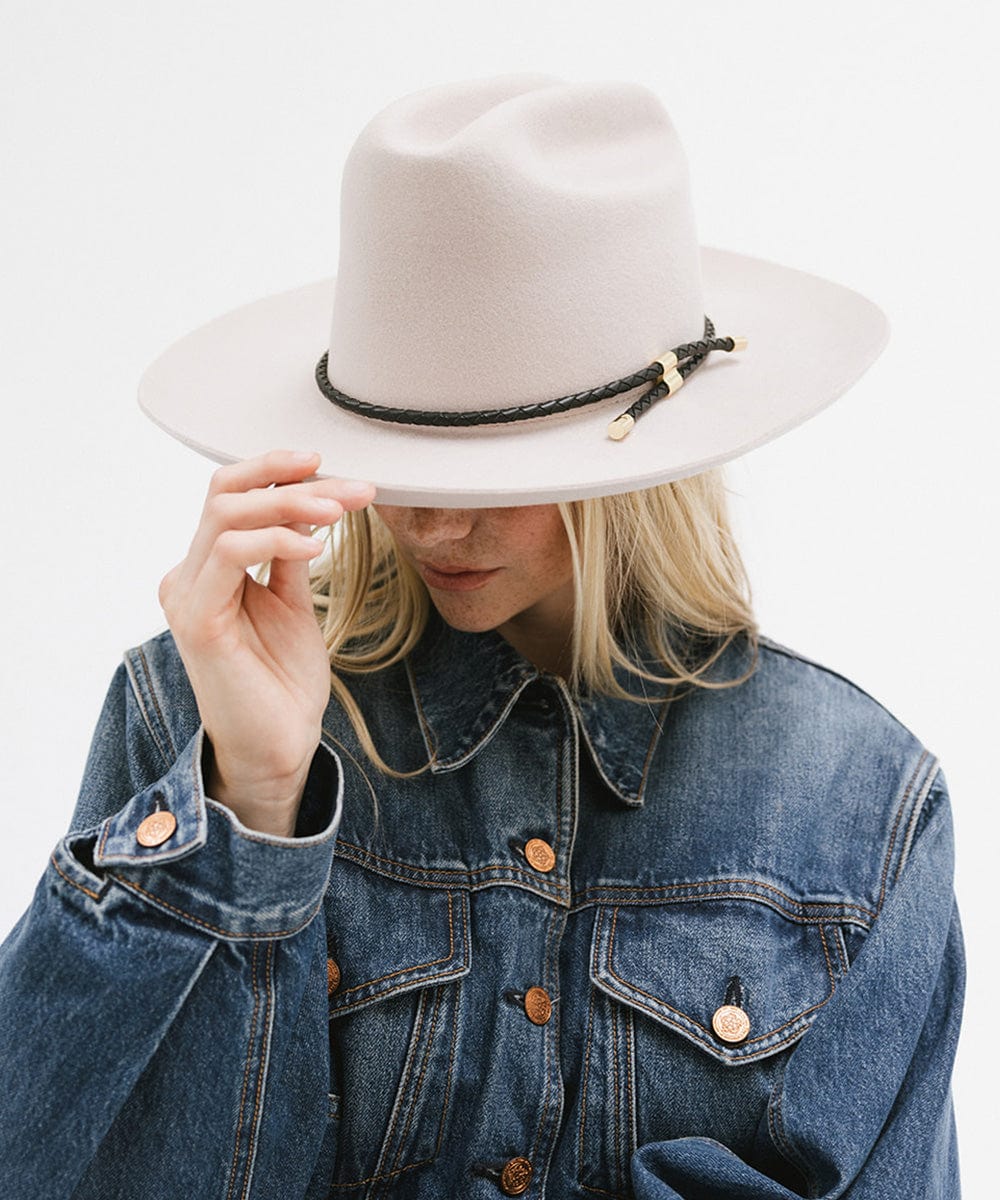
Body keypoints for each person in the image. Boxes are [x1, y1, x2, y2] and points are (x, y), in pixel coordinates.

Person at [0, 73, 963, 1200]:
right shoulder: (194, 712)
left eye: (497, 474)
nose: (432, 525)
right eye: (402, 459)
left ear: (641, 467)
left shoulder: (858, 802)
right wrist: (248, 810)